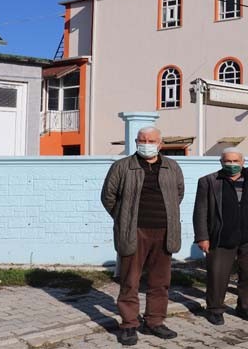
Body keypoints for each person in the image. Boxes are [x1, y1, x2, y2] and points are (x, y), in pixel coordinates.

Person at [100, 127, 184, 346]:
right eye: (142, 139)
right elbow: (108, 196)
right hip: (133, 232)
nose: (146, 143)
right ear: (136, 142)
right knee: (130, 280)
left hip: (164, 232)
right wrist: (123, 217)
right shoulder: (122, 166)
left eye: (151, 140)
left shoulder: (171, 166)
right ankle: (129, 324)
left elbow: (178, 194)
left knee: (160, 282)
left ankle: (155, 321)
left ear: (160, 143)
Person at [193, 147, 248, 326]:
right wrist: (202, 237)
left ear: (243, 162)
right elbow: (200, 211)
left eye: (236, 161)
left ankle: (245, 307)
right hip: (221, 236)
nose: (232, 164)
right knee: (217, 275)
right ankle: (215, 310)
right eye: (228, 161)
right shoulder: (209, 181)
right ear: (221, 162)